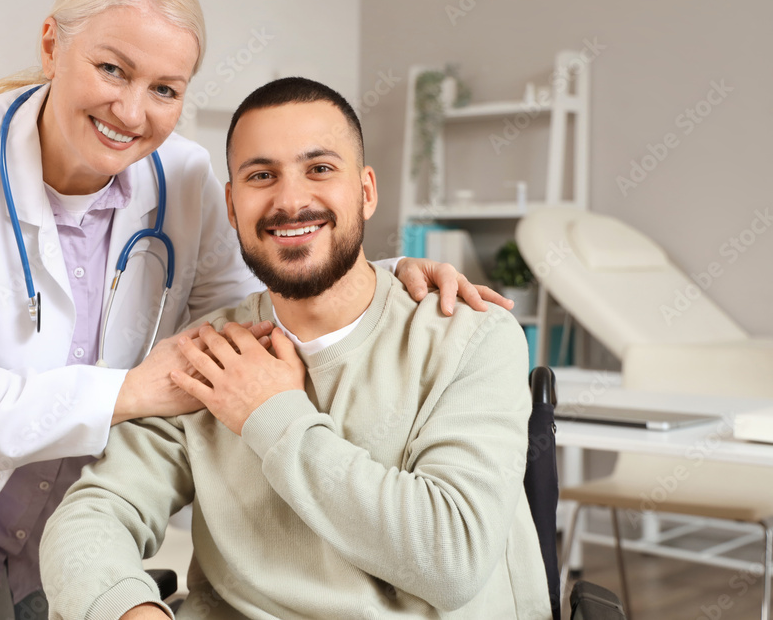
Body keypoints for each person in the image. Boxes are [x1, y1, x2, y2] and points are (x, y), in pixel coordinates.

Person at [0, 0, 511, 620]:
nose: (131, 110)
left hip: (55, 514)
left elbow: (261, 305)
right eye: (112, 70)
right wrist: (132, 393)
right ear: (52, 46)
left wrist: (387, 279)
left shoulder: (185, 178)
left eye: (164, 88)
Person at [39, 77, 552, 620]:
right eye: (262, 176)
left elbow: (453, 561)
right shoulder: (212, 352)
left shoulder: (469, 336)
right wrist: (130, 610)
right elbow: (92, 516)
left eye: (320, 169)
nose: (290, 200)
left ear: (367, 191)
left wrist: (270, 414)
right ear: (233, 207)